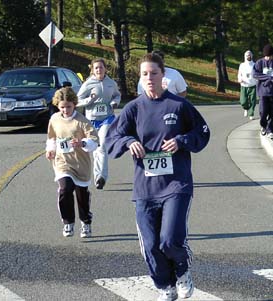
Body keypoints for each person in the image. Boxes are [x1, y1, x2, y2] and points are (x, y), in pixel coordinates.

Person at [105, 53, 210, 300]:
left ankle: (183, 271)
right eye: (144, 74)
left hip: (176, 184)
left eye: (154, 73)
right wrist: (129, 141)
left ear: (164, 75)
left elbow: (203, 133)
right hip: (145, 188)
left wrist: (182, 141)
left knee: (169, 239)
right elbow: (111, 140)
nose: (149, 78)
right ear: (140, 79)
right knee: (151, 245)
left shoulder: (179, 106)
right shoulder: (133, 109)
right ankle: (165, 284)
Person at [46, 87, 99, 238]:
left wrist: (82, 143)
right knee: (65, 189)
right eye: (62, 107)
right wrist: (50, 149)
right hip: (62, 162)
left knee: (81, 195)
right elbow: (51, 137)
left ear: (74, 104)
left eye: (68, 106)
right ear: (57, 105)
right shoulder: (55, 119)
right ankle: (68, 221)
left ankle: (86, 221)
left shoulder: (81, 121)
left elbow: (95, 141)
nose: (65, 110)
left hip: (80, 164)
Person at [77, 58, 121, 190]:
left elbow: (117, 95)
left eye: (101, 67)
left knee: (101, 147)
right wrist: (90, 100)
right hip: (91, 120)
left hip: (107, 119)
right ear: (92, 70)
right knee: (95, 150)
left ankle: (100, 177)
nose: (99, 70)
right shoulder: (88, 84)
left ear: (105, 69)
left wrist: (114, 103)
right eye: (96, 68)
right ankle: (98, 176)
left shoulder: (111, 83)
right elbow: (78, 100)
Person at [253, 44, 273, 139]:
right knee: (263, 111)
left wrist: (272, 80)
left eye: (269, 56)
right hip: (263, 92)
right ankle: (263, 125)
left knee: (272, 112)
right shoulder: (259, 63)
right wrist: (268, 78)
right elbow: (255, 74)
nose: (268, 58)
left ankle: (270, 130)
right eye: (266, 56)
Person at [237, 50, 257, 120]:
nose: (249, 56)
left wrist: (257, 81)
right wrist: (240, 79)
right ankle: (246, 108)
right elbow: (239, 74)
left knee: (253, 100)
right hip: (244, 85)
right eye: (247, 55)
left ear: (251, 56)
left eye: (250, 55)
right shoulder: (242, 65)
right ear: (245, 56)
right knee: (243, 101)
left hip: (252, 85)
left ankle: (251, 113)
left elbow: (257, 74)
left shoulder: (254, 65)